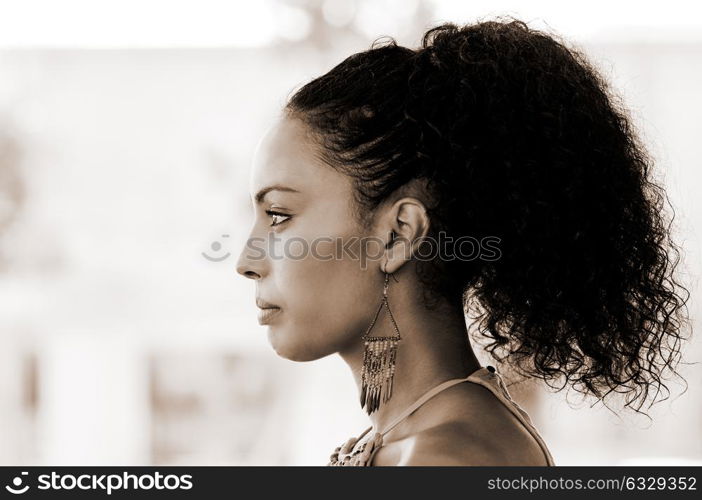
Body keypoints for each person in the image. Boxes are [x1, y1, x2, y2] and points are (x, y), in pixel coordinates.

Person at [235, 18, 690, 466]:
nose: (246, 261)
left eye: (278, 215)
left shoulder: (447, 458)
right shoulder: (410, 439)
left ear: (396, 236)